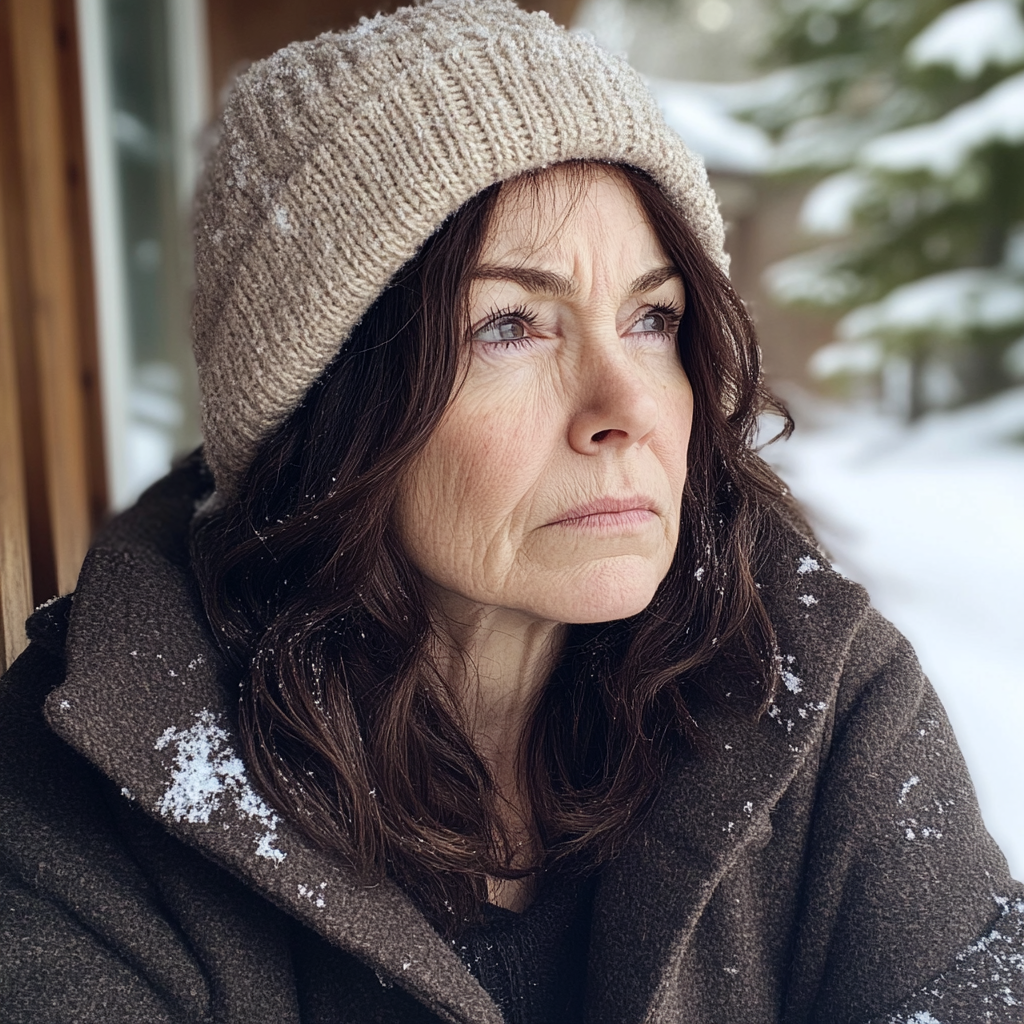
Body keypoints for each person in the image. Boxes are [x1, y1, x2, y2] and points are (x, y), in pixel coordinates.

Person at [1, 1, 1022, 1021]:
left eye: (653, 318)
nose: (626, 409)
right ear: (326, 404)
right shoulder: (83, 795)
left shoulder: (812, 683)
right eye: (509, 326)